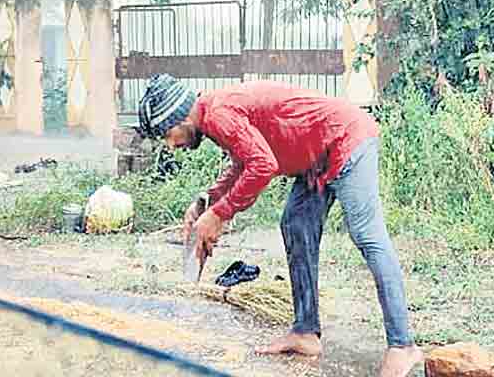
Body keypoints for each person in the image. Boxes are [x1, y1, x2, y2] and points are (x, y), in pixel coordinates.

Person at [137, 74, 423, 377]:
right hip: (318, 157)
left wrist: (221, 214)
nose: (171, 145)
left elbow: (262, 165)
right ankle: (305, 332)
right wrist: (207, 201)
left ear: (181, 115)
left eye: (168, 134)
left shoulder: (217, 113)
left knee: (367, 235)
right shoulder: (214, 112)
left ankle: (403, 345)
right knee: (295, 223)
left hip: (346, 138)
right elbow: (243, 163)